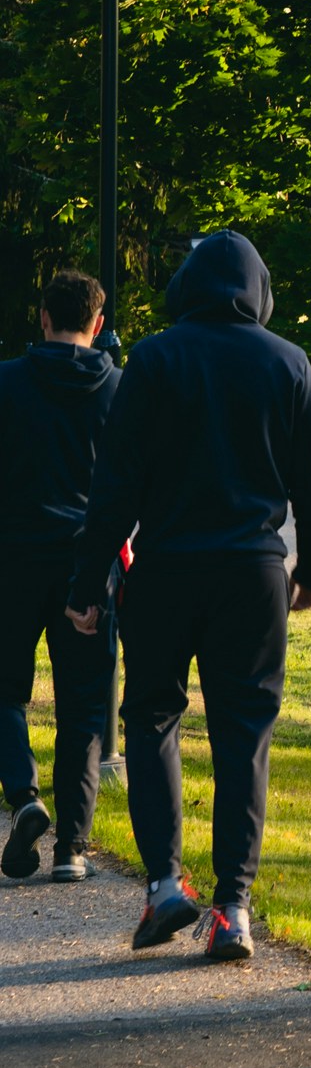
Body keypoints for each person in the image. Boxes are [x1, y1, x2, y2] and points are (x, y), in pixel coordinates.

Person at [68, 231, 311, 959]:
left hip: (167, 566)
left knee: (151, 715)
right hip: (254, 569)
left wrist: (88, 583)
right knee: (245, 732)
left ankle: (164, 885)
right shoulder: (288, 362)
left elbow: (114, 484)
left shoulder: (154, 358)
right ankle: (234, 906)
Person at [0, 270, 121, 882]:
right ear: (97, 325)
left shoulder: (7, 384)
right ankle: (72, 848)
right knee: (82, 707)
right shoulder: (117, 391)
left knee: (3, 691)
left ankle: (24, 795)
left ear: (42, 318)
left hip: (12, 558)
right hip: (86, 565)